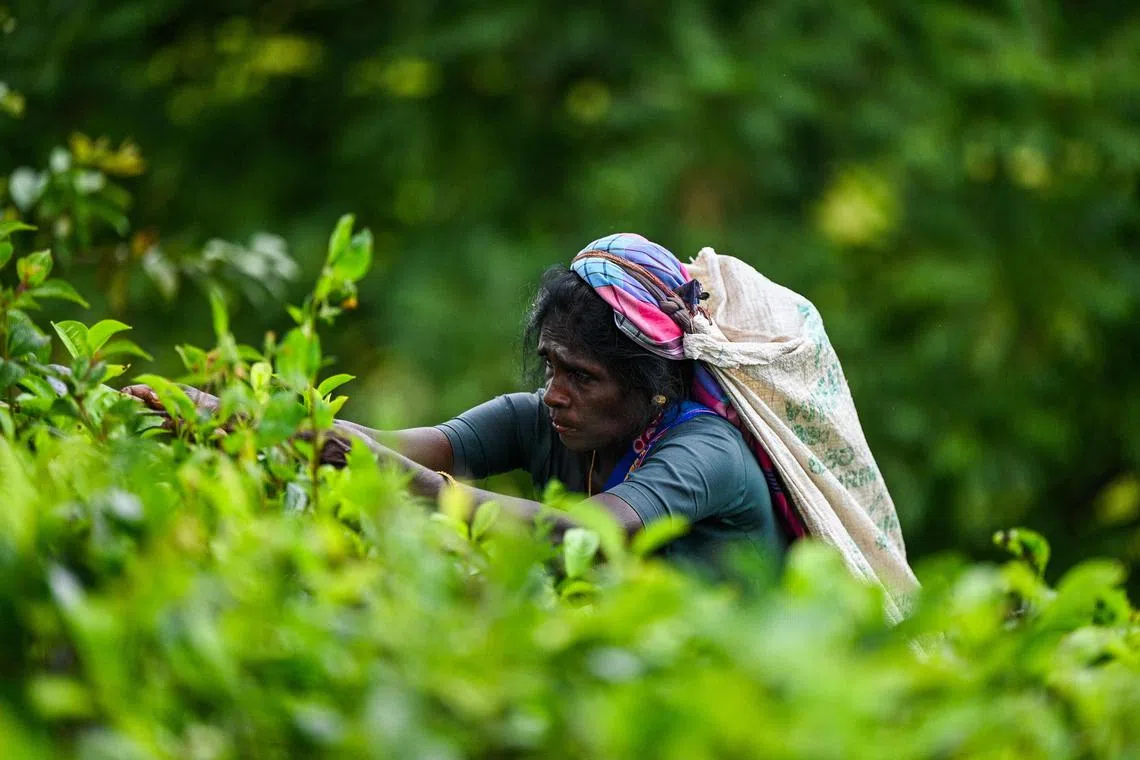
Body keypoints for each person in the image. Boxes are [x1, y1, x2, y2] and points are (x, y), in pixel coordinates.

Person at [124, 233, 789, 570]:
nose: (556, 394)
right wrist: (216, 416)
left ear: (651, 388)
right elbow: (376, 443)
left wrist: (410, 483)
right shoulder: (538, 421)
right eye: (552, 366)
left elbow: (584, 531)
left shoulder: (705, 450)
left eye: (583, 378)